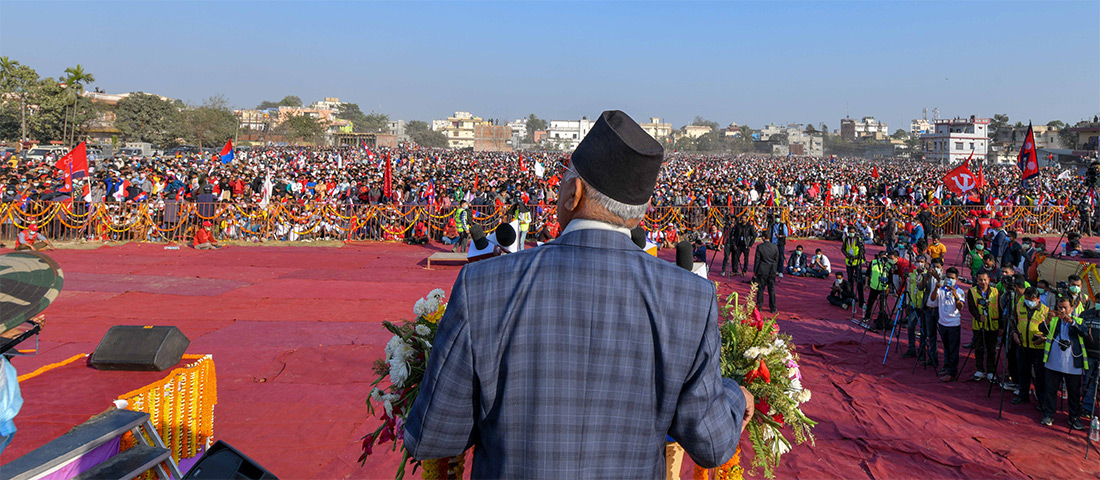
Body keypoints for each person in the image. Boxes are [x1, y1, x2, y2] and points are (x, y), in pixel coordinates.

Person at [404, 111, 752, 478]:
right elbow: (712, 444)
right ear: (638, 215)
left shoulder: (483, 286)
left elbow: (432, 436)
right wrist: (734, 394)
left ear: (574, 193)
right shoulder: (691, 300)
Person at [1040, 295, 1089, 430]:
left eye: (1065, 308)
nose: (1062, 311)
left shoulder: (1078, 320)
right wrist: (1048, 319)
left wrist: (1072, 322)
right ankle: (1048, 414)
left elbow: (1085, 333)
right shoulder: (1054, 320)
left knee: (1074, 392)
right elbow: (1042, 329)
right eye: (1060, 308)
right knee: (1050, 390)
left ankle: (1074, 417)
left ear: (1071, 309)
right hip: (1053, 361)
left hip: (1073, 363)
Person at [1013, 287, 1048, 405]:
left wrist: (1043, 338)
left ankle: (1042, 400)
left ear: (1038, 299)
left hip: (1038, 349)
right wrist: (1014, 333)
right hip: (1022, 346)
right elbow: (1013, 322)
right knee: (1022, 372)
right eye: (1027, 299)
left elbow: (1050, 330)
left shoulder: (1046, 311)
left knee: (1040, 376)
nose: (1029, 302)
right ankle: (1023, 395)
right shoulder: (1019, 306)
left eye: (1032, 300)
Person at [931, 267, 965, 381]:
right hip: (942, 323)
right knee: (946, 347)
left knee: (953, 348)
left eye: (952, 278)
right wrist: (936, 288)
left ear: (956, 279)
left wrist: (955, 295)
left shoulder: (960, 292)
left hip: (954, 324)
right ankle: (947, 365)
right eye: (948, 277)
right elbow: (932, 298)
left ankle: (952, 372)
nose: (950, 280)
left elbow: (960, 307)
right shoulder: (941, 289)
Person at [966, 271, 1001, 382]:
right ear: (977, 280)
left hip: (993, 325)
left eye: (985, 280)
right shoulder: (972, 291)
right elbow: (971, 307)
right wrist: (978, 316)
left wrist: (1001, 326)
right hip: (979, 325)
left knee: (991, 350)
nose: (983, 282)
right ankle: (980, 369)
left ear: (989, 280)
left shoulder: (995, 291)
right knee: (979, 348)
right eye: (980, 280)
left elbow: (999, 308)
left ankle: (991, 371)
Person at [864, 251, 897, 331]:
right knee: (871, 302)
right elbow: (868, 274)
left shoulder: (889, 265)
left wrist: (888, 287)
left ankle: (881, 319)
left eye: (885, 257)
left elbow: (890, 277)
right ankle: (867, 316)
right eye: (882, 257)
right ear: (878, 256)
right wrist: (866, 283)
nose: (883, 258)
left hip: (884, 287)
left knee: (883, 304)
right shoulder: (873, 262)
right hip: (874, 286)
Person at [903, 256, 928, 358]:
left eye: (921, 262)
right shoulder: (911, 274)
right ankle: (911, 348)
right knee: (910, 327)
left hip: (924, 306)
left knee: (923, 329)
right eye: (918, 261)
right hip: (913, 305)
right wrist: (908, 303)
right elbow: (908, 289)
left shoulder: (928, 275)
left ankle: (922, 350)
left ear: (925, 263)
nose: (919, 264)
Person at [754, 229, 780, 314]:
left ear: (763, 237)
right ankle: (773, 307)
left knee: (760, 289)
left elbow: (757, 260)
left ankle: (759, 306)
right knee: (771, 290)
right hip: (771, 270)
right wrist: (775, 270)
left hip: (762, 270)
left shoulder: (760, 247)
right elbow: (777, 260)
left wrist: (755, 271)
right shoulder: (775, 247)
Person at [842, 232, 866, 312]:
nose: (851, 233)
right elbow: (843, 249)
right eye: (850, 232)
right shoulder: (846, 239)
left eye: (853, 232)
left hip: (857, 262)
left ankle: (861, 301)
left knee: (859, 281)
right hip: (849, 262)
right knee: (850, 280)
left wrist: (856, 257)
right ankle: (852, 297)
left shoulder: (859, 240)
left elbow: (863, 251)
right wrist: (847, 255)